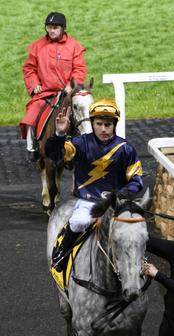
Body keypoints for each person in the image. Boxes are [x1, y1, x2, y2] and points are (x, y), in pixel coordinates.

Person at [46, 99, 143, 270]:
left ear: (114, 124)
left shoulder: (126, 148)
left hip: (116, 204)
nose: (104, 129)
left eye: (108, 124)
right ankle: (62, 251)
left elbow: (136, 180)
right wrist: (60, 135)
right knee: (79, 221)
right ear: (92, 123)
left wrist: (120, 195)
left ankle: (138, 265)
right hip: (88, 202)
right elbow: (56, 155)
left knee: (135, 229)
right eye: (99, 124)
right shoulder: (80, 143)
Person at [21, 12, 86, 164]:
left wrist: (72, 86)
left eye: (55, 27)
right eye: (49, 27)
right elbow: (29, 69)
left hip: (68, 93)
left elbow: (79, 69)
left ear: (63, 28)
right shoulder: (37, 46)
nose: (51, 31)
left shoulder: (74, 46)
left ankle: (87, 143)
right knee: (31, 114)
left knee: (84, 110)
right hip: (45, 93)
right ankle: (32, 147)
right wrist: (34, 83)